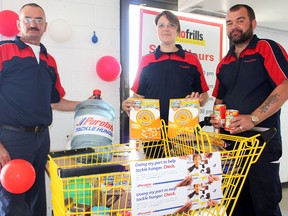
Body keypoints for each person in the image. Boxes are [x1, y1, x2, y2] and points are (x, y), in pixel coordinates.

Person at [0, 3, 84, 216]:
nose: (33, 24)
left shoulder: (49, 60)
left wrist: (87, 104)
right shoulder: (4, 51)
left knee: (37, 200)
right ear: (19, 24)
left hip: (41, 139)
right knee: (12, 202)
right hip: (11, 138)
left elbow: (55, 102)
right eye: (27, 19)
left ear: (45, 26)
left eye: (39, 20)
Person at [210, 4, 288, 216]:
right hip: (230, 146)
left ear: (253, 24)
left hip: (261, 146)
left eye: (240, 20)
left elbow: (285, 85)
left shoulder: (266, 48)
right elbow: (219, 99)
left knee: (264, 207)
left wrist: (253, 118)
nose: (234, 26)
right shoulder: (223, 63)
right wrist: (217, 117)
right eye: (229, 22)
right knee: (234, 205)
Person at [122, 10, 209, 156]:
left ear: (178, 31)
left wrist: (199, 101)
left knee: (184, 175)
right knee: (156, 174)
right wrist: (127, 103)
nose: (166, 28)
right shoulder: (146, 61)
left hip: (183, 132)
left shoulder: (191, 60)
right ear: (156, 31)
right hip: (152, 132)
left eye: (171, 25)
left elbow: (205, 95)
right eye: (161, 25)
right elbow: (138, 96)